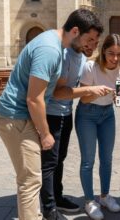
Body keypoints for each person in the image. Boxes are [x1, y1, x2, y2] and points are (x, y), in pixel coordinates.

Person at [0, 8, 105, 220]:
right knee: (31, 181)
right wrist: (46, 134)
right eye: (88, 39)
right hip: (16, 117)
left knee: (32, 179)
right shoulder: (50, 50)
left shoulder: (54, 45)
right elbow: (34, 98)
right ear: (75, 31)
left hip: (20, 116)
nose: (90, 45)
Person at [40, 20, 104, 220]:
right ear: (78, 34)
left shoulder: (81, 57)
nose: (93, 45)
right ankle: (49, 207)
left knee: (60, 159)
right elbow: (58, 92)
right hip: (51, 113)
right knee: (49, 162)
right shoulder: (64, 54)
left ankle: (57, 198)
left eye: (96, 41)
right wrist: (88, 90)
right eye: (90, 40)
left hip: (66, 114)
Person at [75, 34, 120, 220]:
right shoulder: (91, 67)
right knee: (88, 160)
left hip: (107, 115)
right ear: (103, 51)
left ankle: (104, 196)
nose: (115, 58)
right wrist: (95, 91)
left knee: (107, 159)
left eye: (119, 54)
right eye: (111, 53)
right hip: (87, 114)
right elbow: (83, 97)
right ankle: (89, 200)